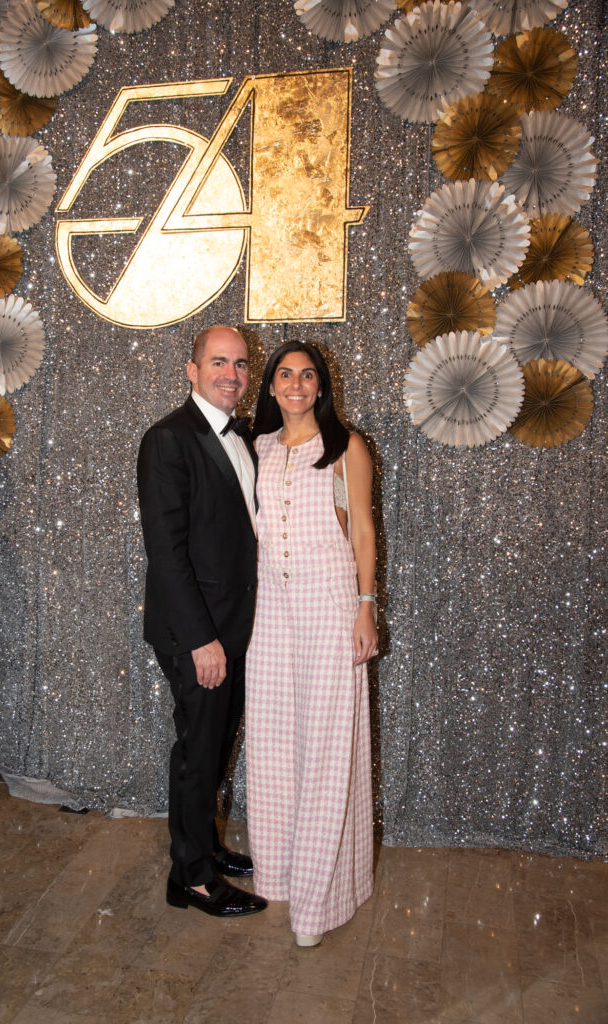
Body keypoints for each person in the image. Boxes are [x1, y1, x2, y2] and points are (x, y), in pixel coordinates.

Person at [245, 340, 377, 946]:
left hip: (330, 603)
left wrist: (365, 608)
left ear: (322, 386)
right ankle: (277, 874)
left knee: (326, 743)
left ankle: (321, 898)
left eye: (307, 375)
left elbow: (365, 532)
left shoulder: (346, 447)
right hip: (269, 609)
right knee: (273, 740)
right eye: (284, 374)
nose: (296, 383)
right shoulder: (258, 447)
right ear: (270, 385)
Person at [137, 325, 267, 918]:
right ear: (191, 370)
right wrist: (201, 641)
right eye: (218, 362)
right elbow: (167, 554)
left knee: (213, 748)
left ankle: (203, 848)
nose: (231, 375)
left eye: (240, 364)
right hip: (199, 633)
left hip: (235, 627)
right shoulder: (168, 439)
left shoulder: (244, 437)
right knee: (198, 750)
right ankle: (192, 877)